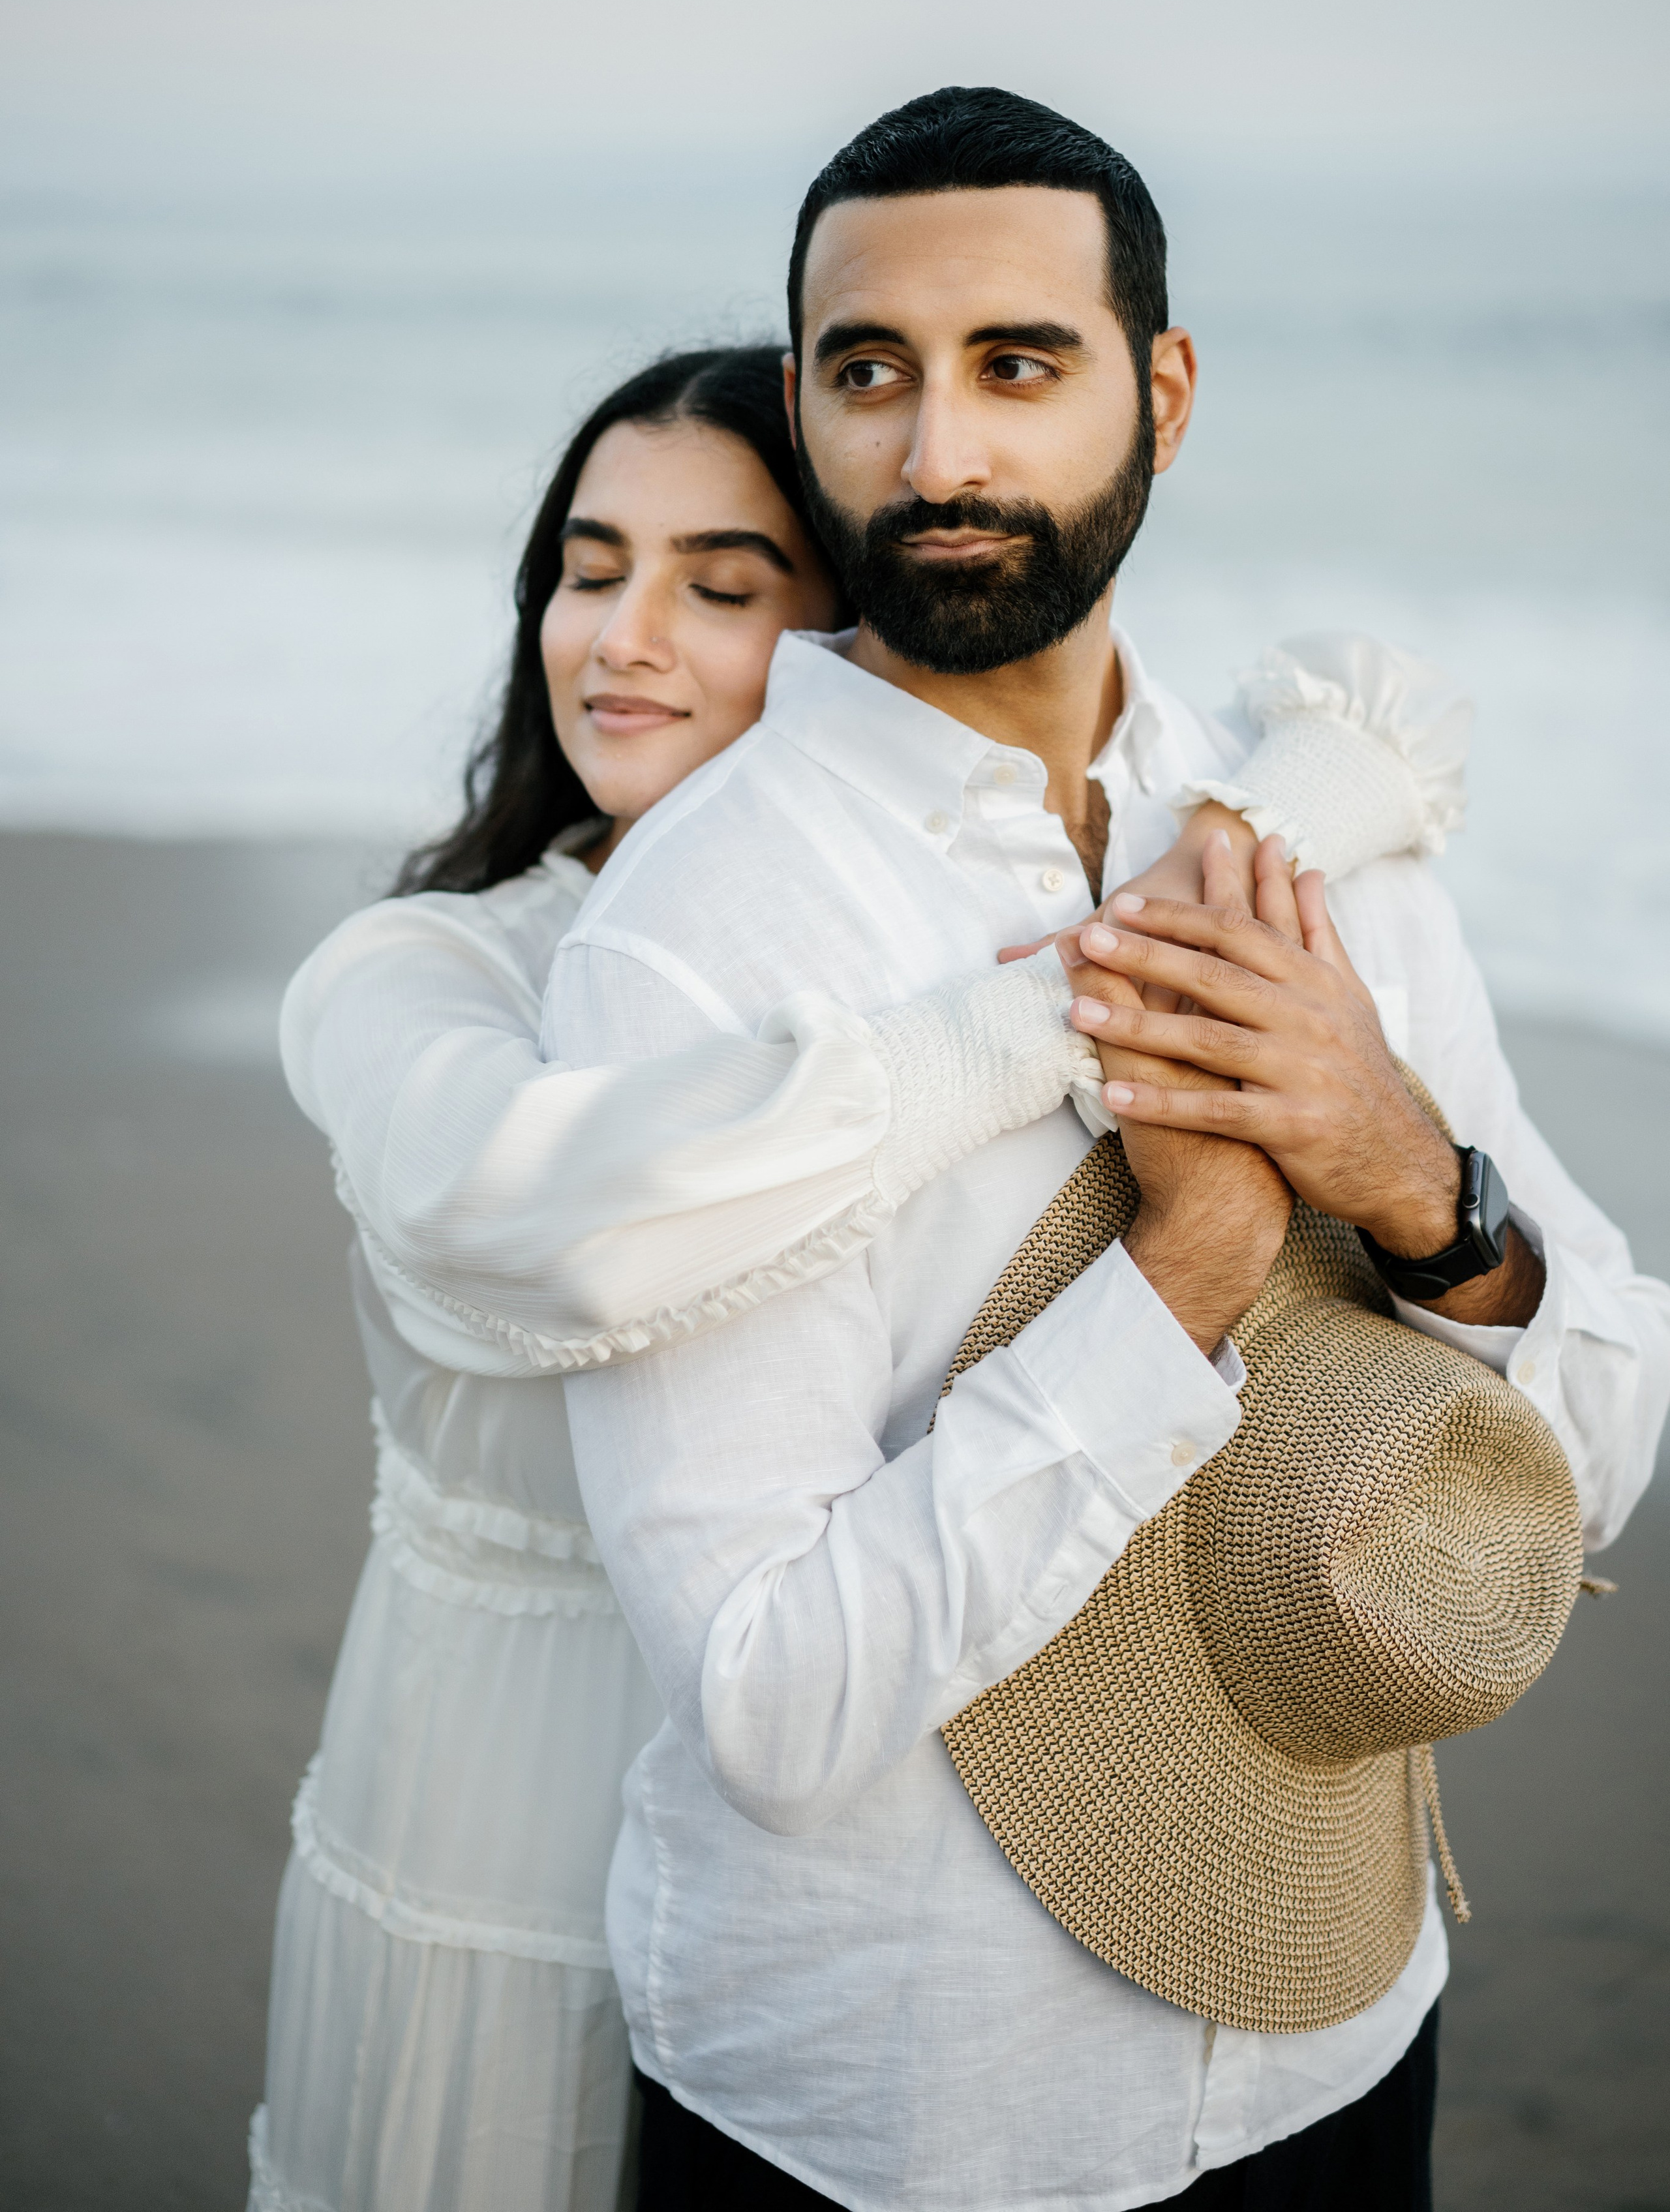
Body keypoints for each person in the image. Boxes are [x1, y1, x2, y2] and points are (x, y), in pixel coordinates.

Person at [542, 91, 1670, 2211]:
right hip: (906, 2109)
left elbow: (1601, 1452)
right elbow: (773, 1710)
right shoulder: (694, 949)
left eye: (1020, 365)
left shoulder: (1305, 840)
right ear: (802, 403)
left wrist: (1420, 1186)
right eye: (870, 374)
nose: (940, 455)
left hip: (1351, 2031)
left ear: (1160, 389)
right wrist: (1185, 1278)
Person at [249, 347, 1466, 2212]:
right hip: (492, 1817)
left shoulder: (920, 934)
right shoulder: (422, 978)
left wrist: (1236, 839)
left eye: (726, 590)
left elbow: (1382, 713)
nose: (627, 639)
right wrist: (1104, 991)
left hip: (833, 1889)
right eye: (590, 570)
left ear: (853, 647)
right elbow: (550, 1219)